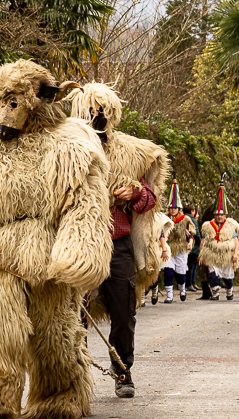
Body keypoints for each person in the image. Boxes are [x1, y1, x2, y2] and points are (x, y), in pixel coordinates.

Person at [69, 82, 168, 397]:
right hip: (79, 241)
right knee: (73, 312)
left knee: (124, 313)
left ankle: (122, 370)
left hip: (117, 243)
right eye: (89, 112)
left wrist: (135, 192)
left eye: (100, 113)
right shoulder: (67, 149)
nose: (94, 119)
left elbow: (150, 198)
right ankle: (74, 373)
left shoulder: (128, 153)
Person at [199, 178, 239, 301]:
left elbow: (236, 240)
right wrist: (201, 255)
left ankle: (229, 291)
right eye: (218, 215)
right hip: (213, 254)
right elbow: (203, 241)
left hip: (226, 254)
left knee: (228, 277)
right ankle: (215, 292)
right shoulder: (207, 226)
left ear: (225, 215)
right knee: (212, 273)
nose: (220, 217)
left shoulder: (231, 225)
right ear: (214, 215)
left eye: (222, 215)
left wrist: (235, 253)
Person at [162, 181, 195, 304]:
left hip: (181, 248)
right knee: (168, 272)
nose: (173, 209)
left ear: (179, 208)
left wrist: (190, 242)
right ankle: (169, 295)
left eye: (175, 208)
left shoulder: (185, 219)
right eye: (171, 207)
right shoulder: (164, 219)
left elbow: (190, 232)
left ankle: (182, 289)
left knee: (181, 275)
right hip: (169, 247)